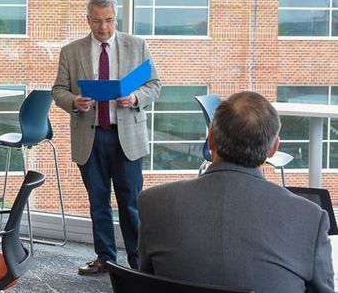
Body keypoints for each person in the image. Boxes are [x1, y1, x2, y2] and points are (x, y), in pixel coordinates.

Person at [138, 91, 334, 292]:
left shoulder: (154, 203)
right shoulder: (309, 218)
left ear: (211, 139)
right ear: (274, 148)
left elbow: (143, 284)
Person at [52, 0, 161, 275]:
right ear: (88, 19)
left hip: (127, 136)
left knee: (131, 203)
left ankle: (138, 261)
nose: (104, 27)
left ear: (116, 18)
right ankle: (105, 258)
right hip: (90, 136)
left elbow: (155, 85)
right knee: (98, 202)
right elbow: (58, 90)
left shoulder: (137, 46)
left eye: (109, 20)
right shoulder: (71, 51)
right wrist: (73, 101)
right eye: (98, 21)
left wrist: (136, 97)